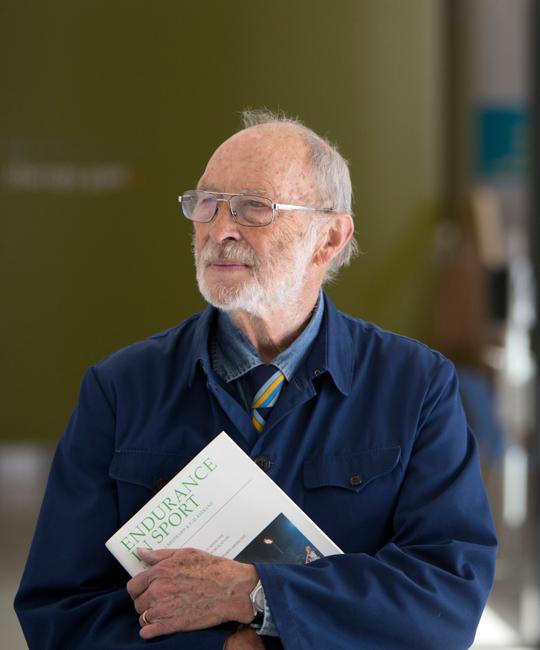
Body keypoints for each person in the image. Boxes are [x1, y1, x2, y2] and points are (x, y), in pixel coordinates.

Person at [15, 110, 497, 650]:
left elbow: (446, 597)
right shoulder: (120, 389)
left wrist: (256, 595)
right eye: (207, 203)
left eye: (253, 207)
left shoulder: (417, 386)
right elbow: (58, 611)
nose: (220, 229)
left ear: (330, 238)